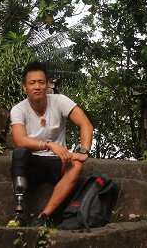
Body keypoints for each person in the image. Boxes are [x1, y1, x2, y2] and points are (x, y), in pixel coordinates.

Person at [9, 61, 93, 227]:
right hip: (32, 161)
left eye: (41, 82)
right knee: (19, 153)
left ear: (47, 84)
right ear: (24, 87)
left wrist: (84, 151)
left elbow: (85, 123)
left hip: (57, 161)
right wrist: (50, 145)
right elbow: (19, 140)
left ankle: (44, 217)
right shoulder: (18, 109)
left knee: (76, 167)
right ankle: (19, 213)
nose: (37, 87)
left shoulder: (59, 101)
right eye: (32, 83)